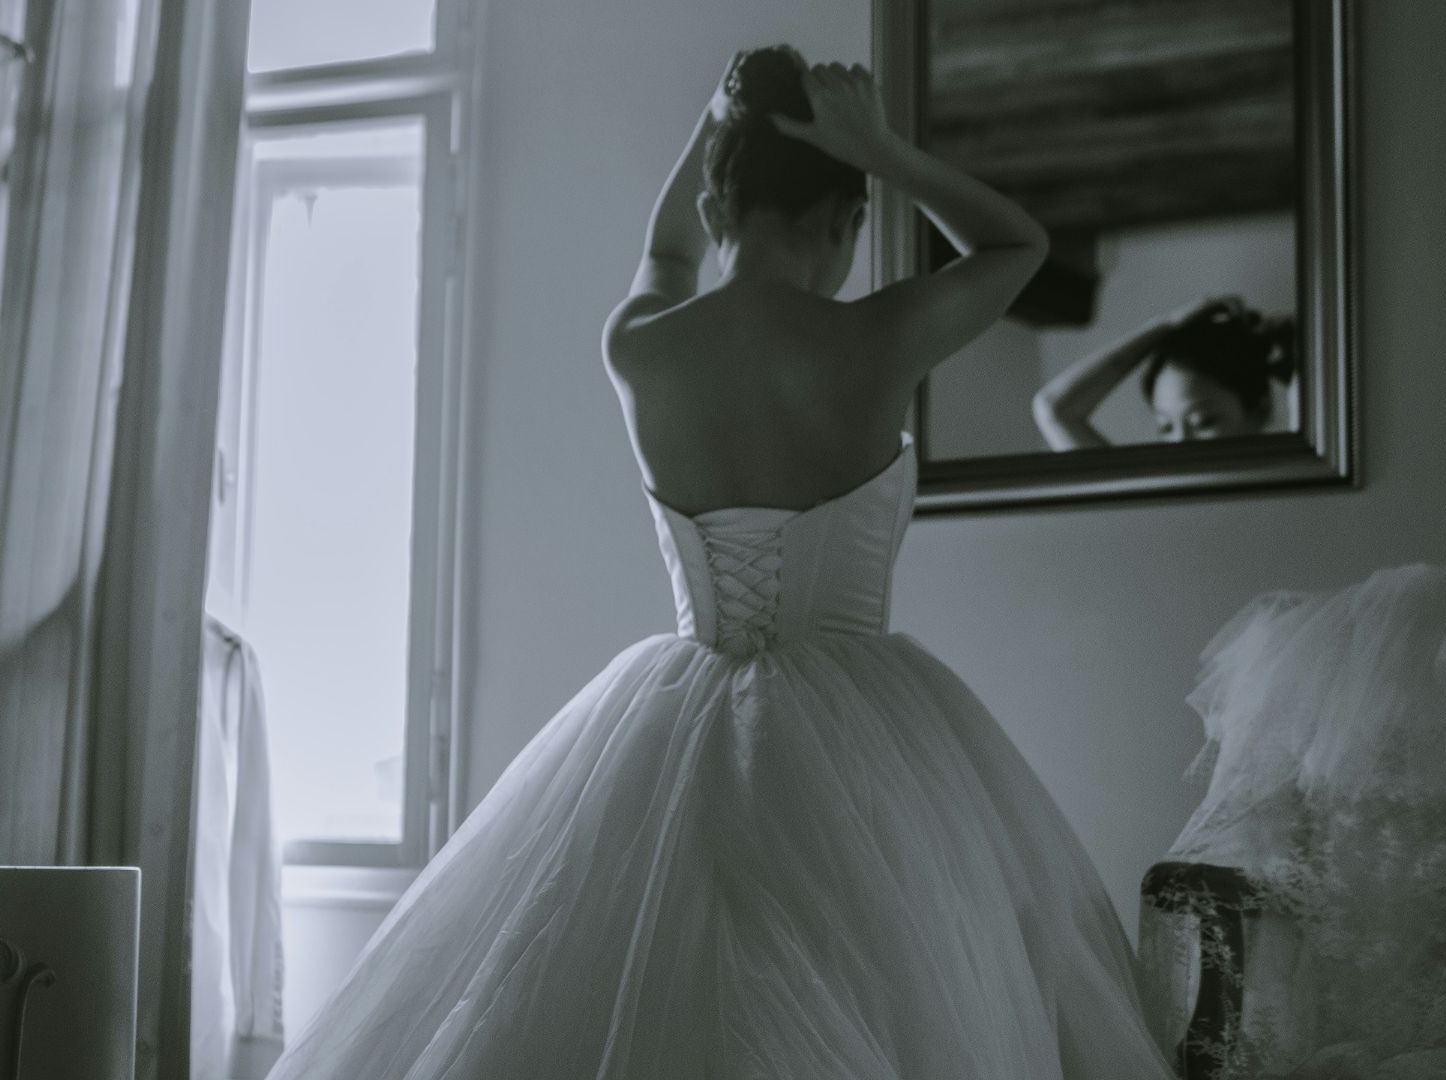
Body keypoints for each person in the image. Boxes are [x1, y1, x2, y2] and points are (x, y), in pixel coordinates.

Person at [266, 47, 1174, 1078]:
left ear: (715, 202)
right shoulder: (880, 338)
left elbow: (667, 248)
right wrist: (881, 149)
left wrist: (722, 115)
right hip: (870, 733)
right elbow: (1018, 243)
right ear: (850, 219)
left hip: (677, 713)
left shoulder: (640, 346)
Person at [1032, 294, 1297, 450]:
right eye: (1166, 427)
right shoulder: (1147, 497)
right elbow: (1055, 409)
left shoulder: (1297, 481)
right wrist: (1165, 325)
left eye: (1204, 422)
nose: (1180, 443)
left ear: (1259, 412)